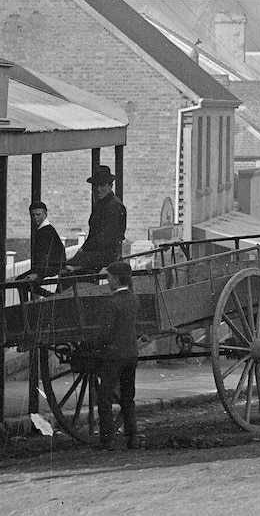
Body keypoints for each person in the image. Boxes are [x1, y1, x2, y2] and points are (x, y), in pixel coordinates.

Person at [96, 261, 140, 451]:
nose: (108, 281)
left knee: (104, 398)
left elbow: (105, 334)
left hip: (114, 357)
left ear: (115, 279)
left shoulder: (111, 303)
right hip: (131, 354)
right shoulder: (134, 299)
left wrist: (98, 347)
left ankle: (108, 440)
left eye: (109, 278)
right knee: (128, 397)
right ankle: (133, 438)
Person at [65, 165, 126, 274]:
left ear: (110, 186)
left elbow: (105, 237)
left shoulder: (114, 206)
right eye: (96, 185)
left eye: (102, 185)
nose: (98, 189)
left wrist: (84, 250)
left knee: (68, 270)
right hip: (96, 253)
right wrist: (82, 250)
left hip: (106, 255)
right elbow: (93, 234)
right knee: (66, 266)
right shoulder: (101, 204)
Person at [17, 201, 66, 283]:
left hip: (49, 270)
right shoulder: (42, 230)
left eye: (38, 214)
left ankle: (48, 293)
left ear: (45, 215)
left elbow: (44, 253)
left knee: (21, 282)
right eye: (32, 215)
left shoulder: (46, 231)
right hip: (47, 268)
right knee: (20, 280)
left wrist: (36, 273)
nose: (35, 217)